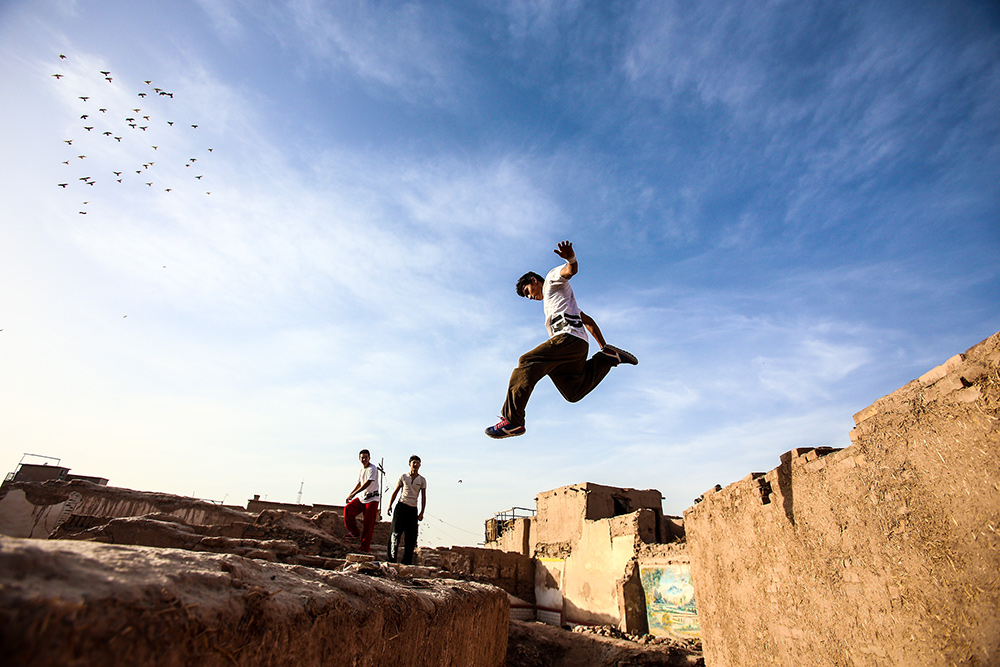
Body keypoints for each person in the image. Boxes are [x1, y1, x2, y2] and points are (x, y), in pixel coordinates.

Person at [486, 240, 637, 439]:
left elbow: (569, 271)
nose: (529, 297)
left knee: (527, 361)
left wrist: (570, 259)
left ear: (534, 280)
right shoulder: (558, 303)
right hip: (573, 349)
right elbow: (588, 321)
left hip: (568, 340)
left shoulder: (550, 282)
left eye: (527, 291)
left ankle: (513, 421)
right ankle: (606, 360)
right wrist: (604, 348)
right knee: (573, 391)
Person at [385, 455, 427, 565]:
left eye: (418, 463)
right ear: (410, 464)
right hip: (401, 507)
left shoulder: (422, 480)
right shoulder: (404, 477)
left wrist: (422, 512)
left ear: (420, 465)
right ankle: (391, 560)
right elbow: (396, 491)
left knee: (411, 537)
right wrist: (390, 505)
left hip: (412, 509)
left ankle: (406, 562)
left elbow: (423, 496)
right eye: (414, 462)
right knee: (395, 534)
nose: (416, 465)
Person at [344, 449, 380, 552]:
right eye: (362, 458)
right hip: (363, 498)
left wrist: (355, 493)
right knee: (348, 509)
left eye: (366, 457)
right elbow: (360, 483)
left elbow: (368, 483)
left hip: (372, 499)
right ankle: (354, 532)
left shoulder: (372, 469)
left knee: (368, 524)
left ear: (369, 458)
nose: (364, 459)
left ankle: (364, 548)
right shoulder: (362, 470)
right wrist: (351, 493)